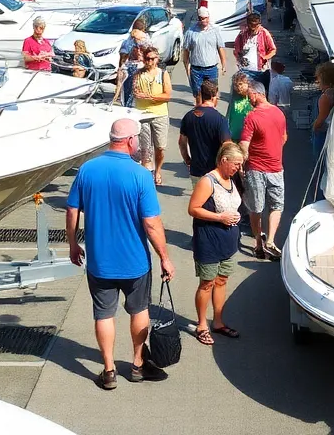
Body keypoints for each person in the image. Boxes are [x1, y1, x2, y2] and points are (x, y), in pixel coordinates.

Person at [66, 118, 175, 390]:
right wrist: (164, 256)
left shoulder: (88, 169)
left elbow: (72, 211)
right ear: (129, 140)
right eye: (137, 138)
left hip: (100, 262)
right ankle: (137, 364)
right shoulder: (140, 175)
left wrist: (72, 243)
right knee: (139, 310)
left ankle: (109, 369)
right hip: (135, 262)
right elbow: (151, 223)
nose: (139, 142)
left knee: (104, 314)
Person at [188, 141, 244, 346]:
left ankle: (218, 322)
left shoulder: (231, 179)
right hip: (209, 241)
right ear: (223, 160)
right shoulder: (207, 181)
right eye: (236, 164)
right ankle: (202, 325)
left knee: (221, 281)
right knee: (207, 283)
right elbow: (193, 209)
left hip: (228, 242)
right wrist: (220, 217)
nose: (239, 168)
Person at [239, 81, 288, 261]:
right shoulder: (279, 113)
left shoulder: (252, 117)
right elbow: (284, 138)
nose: (248, 99)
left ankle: (259, 243)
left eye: (249, 95)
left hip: (256, 168)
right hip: (276, 167)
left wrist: (242, 164)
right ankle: (272, 240)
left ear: (258, 93)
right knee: (276, 205)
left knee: (256, 207)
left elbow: (244, 145)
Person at [179, 79, 231, 182]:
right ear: (213, 97)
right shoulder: (220, 119)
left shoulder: (188, 116)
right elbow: (227, 145)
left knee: (198, 197)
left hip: (196, 170)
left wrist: (188, 160)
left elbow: (182, 142)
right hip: (215, 172)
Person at [134, 45, 172, 184]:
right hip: (143, 114)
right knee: (145, 148)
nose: (149, 62)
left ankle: (158, 170)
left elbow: (167, 95)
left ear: (157, 59)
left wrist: (149, 97)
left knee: (160, 147)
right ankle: (146, 178)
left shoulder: (163, 74)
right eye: (147, 59)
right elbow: (136, 92)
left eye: (152, 59)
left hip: (160, 114)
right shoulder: (138, 74)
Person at [183, 6, 226, 105]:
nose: (204, 20)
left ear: (209, 17)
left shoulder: (215, 31)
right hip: (196, 69)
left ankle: (212, 115)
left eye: (206, 18)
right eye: (202, 18)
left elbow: (220, 48)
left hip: (211, 69)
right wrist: (187, 68)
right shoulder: (191, 32)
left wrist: (223, 64)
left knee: (213, 95)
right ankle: (199, 116)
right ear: (198, 18)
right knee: (198, 95)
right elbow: (186, 52)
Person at [233, 12, 276, 91]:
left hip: (261, 71)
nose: (254, 28)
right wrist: (239, 57)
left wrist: (264, 57)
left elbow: (273, 50)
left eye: (256, 26)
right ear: (248, 24)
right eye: (251, 26)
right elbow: (236, 49)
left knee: (261, 92)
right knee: (246, 92)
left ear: (259, 24)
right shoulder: (243, 34)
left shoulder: (264, 33)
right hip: (245, 70)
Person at [112, 17, 149, 107]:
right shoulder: (146, 39)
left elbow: (123, 57)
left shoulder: (126, 42)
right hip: (140, 67)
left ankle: (121, 104)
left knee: (125, 92)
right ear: (142, 29)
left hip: (128, 67)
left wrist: (120, 68)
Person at [310, 62, 334, 162]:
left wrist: (314, 127)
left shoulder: (325, 97)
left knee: (321, 160)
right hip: (333, 130)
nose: (317, 82)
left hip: (323, 132)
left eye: (318, 80)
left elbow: (321, 118)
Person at [226, 71, 253, 142]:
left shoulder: (252, 98)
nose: (238, 87)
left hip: (246, 137)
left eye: (241, 84)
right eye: (236, 85)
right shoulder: (234, 97)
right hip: (233, 134)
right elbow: (229, 114)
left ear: (247, 84)